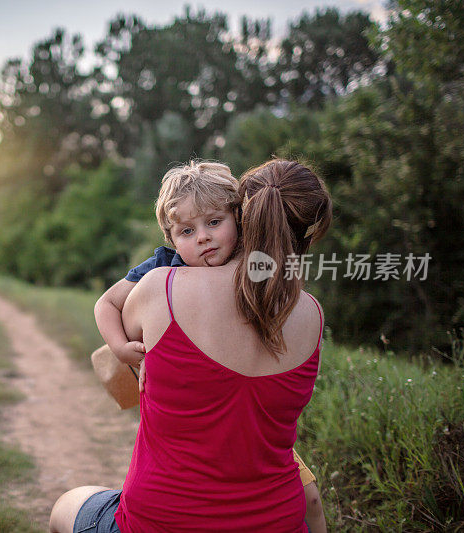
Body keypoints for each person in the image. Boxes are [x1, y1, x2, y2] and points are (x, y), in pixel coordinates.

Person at [51, 159, 332, 532]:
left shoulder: (160, 288)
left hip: (160, 520)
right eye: (187, 230)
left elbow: (115, 309)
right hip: (276, 520)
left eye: (214, 222)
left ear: (241, 216)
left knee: (63, 508)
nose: (202, 237)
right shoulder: (311, 314)